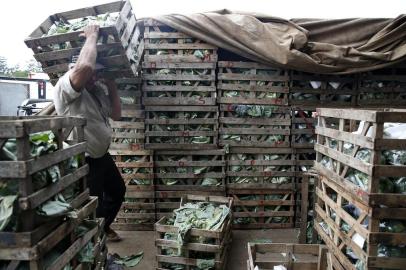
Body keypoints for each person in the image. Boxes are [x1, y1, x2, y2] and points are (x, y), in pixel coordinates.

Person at [54, 24, 125, 242]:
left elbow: (117, 115)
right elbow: (84, 67)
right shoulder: (67, 88)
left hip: (101, 155)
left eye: (98, 72)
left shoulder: (97, 91)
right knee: (94, 205)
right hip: (83, 161)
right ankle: (94, 245)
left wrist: (111, 87)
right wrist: (92, 35)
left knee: (117, 191)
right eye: (93, 72)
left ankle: (103, 227)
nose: (95, 76)